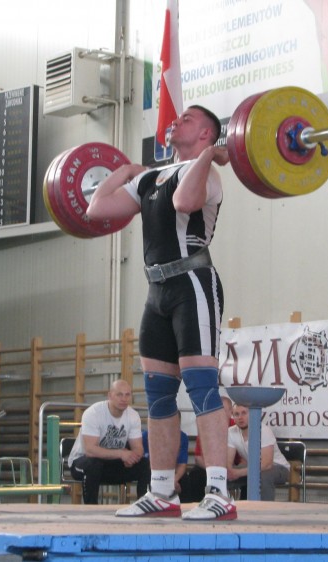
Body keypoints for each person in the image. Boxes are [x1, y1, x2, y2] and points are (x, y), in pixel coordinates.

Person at [87, 105, 236, 520]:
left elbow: (184, 200)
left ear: (206, 134)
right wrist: (126, 171)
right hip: (157, 292)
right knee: (157, 395)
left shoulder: (209, 174)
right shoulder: (150, 177)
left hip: (193, 284)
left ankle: (220, 494)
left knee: (203, 386)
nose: (176, 121)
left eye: (187, 119)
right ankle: (163, 492)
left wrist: (209, 156)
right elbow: (97, 209)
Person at [67, 379, 150, 504]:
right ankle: (91, 509)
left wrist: (133, 457)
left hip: (111, 465)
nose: (124, 399)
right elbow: (90, 450)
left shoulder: (133, 416)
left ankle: (143, 504)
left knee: (145, 464)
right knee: (93, 464)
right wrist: (122, 454)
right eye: (119, 394)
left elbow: (138, 448)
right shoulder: (93, 413)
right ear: (110, 395)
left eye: (127, 395)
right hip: (82, 462)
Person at [227, 403, 290, 502]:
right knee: (221, 474)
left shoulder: (264, 430)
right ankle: (222, 507)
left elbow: (266, 464)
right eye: (236, 414)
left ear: (251, 414)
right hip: (253, 467)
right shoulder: (231, 432)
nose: (240, 417)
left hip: (278, 467)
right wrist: (229, 472)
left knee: (262, 476)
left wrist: (239, 473)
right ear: (233, 417)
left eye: (244, 413)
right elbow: (228, 462)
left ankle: (266, 512)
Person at [181, 395, 238, 503]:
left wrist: (230, 471)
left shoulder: (236, 427)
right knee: (196, 474)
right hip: (210, 467)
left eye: (223, 410)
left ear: (231, 412)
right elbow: (198, 458)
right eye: (218, 410)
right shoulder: (208, 428)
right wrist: (215, 471)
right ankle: (195, 504)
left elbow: (243, 458)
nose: (220, 413)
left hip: (232, 467)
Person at [141, 415, 189, 497]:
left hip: (172, 473)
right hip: (153, 472)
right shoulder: (146, 436)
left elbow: (182, 465)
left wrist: (174, 479)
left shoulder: (182, 437)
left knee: (185, 479)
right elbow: (144, 463)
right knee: (144, 474)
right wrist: (164, 479)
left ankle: (182, 507)